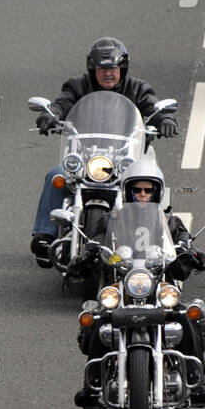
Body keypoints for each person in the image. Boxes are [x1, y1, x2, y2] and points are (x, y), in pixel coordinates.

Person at [75, 158, 205, 409]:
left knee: (187, 314)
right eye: (137, 190)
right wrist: (90, 254)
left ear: (157, 192)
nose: (142, 194)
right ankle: (91, 384)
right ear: (128, 190)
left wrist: (192, 254)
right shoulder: (110, 219)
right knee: (97, 318)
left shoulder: (171, 222)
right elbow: (96, 243)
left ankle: (198, 379)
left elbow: (183, 245)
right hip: (122, 283)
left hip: (158, 284)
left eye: (148, 190)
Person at [30, 38, 177, 264]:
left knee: (150, 180)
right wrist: (51, 115)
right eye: (102, 69)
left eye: (113, 68)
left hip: (127, 157)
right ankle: (46, 236)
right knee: (56, 176)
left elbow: (151, 106)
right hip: (86, 156)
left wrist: (165, 119)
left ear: (122, 69)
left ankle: (160, 239)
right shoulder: (77, 85)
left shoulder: (138, 88)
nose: (108, 73)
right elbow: (63, 103)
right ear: (93, 69)